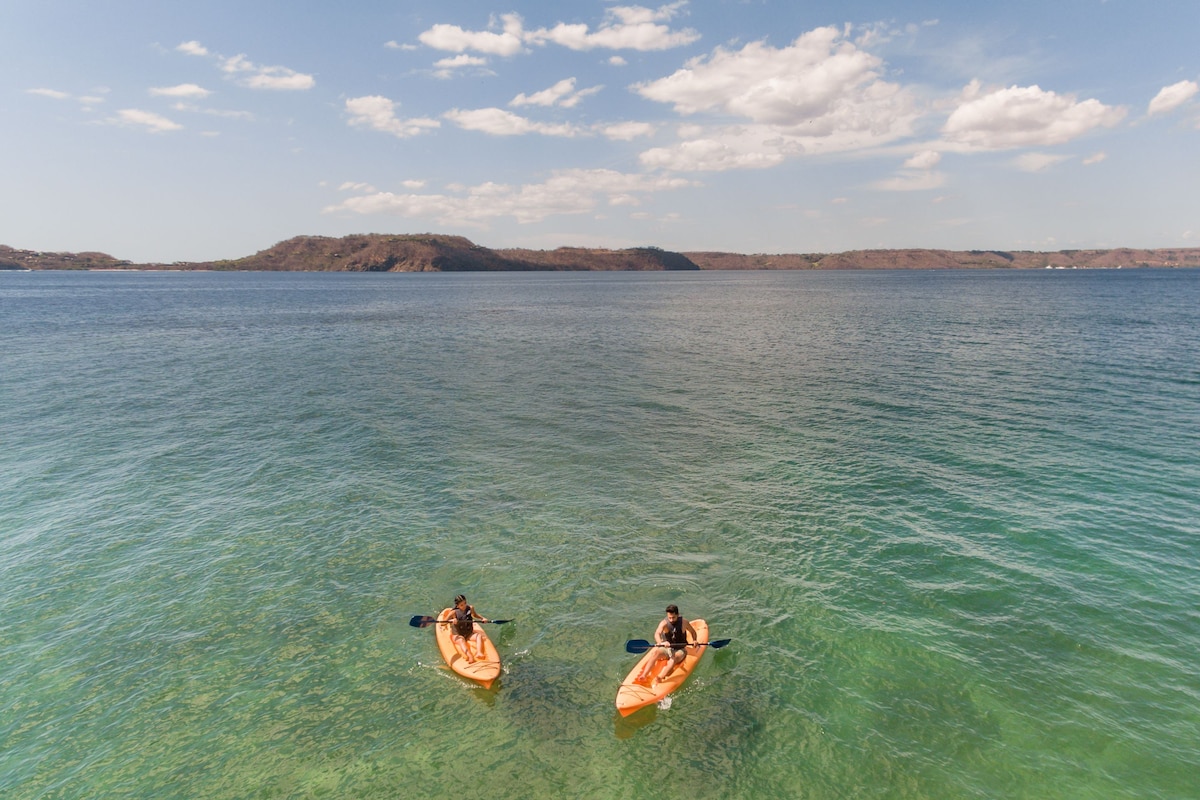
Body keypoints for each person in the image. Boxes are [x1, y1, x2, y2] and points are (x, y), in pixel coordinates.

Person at [635, 604, 698, 684]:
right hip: (667, 649)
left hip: (680, 649)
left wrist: (695, 640)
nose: (671, 620)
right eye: (669, 618)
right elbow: (657, 633)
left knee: (673, 658)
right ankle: (644, 675)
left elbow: (693, 632)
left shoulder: (684, 622)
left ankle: (660, 677)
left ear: (678, 615)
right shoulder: (664, 623)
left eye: (673, 617)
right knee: (655, 653)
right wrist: (661, 643)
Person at [449, 594, 489, 664]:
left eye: (465, 603)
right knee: (461, 640)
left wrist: (482, 618)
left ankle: (479, 652)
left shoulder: (470, 608)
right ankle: (470, 656)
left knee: (478, 636)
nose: (464, 606)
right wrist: (451, 620)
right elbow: (442, 623)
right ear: (457, 606)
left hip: (468, 633)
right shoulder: (453, 612)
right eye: (461, 605)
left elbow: (475, 615)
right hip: (457, 635)